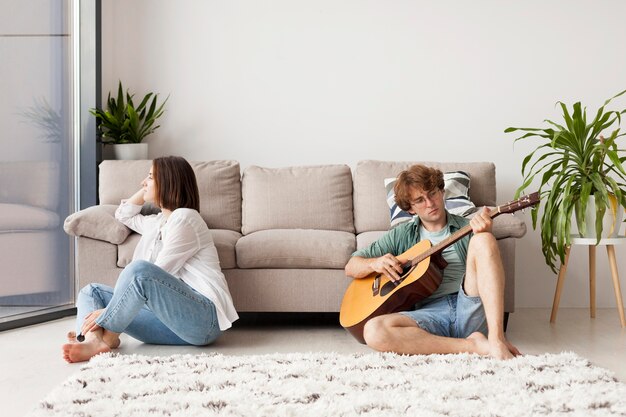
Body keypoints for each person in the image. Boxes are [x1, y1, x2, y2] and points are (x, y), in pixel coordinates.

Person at [62, 156, 239, 363]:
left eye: (150, 177)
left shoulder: (186, 218)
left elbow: (157, 274)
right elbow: (123, 214)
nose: (143, 182)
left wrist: (108, 312)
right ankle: (95, 340)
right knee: (90, 291)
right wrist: (147, 191)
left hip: (202, 321)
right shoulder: (156, 223)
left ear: (167, 181)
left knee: (139, 271)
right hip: (169, 324)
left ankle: (105, 335)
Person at [344, 164, 520, 360]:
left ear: (442, 191)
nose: (430, 203)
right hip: (428, 315)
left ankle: (497, 340)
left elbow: (488, 271)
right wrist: (374, 264)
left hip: (469, 307)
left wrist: (485, 233)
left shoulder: (468, 226)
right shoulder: (402, 235)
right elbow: (351, 265)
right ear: (410, 209)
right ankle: (472, 346)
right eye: (420, 200)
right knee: (373, 331)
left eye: (432, 193)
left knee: (484, 239)